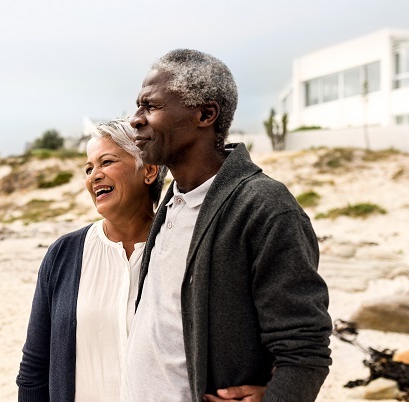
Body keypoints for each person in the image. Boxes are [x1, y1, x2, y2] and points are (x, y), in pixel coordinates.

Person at [123, 49, 332, 402]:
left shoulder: (264, 206)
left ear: (205, 114)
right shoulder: (172, 198)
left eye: (151, 106)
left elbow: (305, 349)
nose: (135, 119)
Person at [16, 118, 168, 401]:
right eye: (89, 168)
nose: (93, 176)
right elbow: (34, 368)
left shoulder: (180, 248)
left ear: (148, 170)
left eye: (106, 162)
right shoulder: (63, 254)